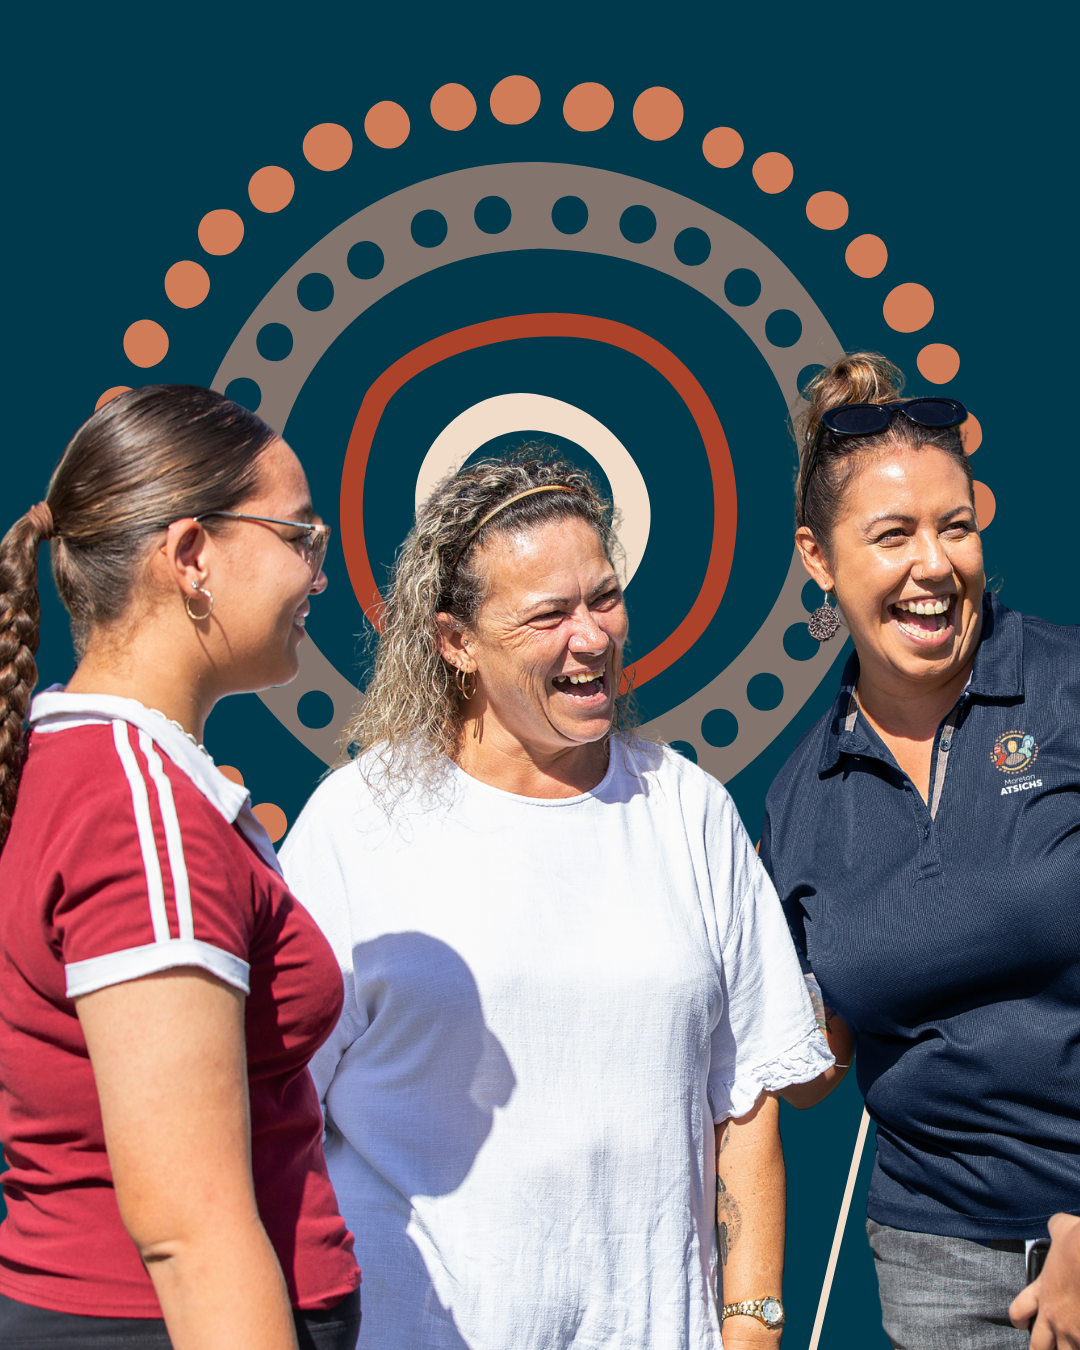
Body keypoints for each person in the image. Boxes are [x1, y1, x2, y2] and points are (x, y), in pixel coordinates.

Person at [280, 450, 834, 1350]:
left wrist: (752, 1326)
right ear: (455, 641)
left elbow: (749, 1098)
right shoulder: (356, 824)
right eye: (548, 615)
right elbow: (280, 1112)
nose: (593, 637)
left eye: (604, 599)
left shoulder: (688, 809)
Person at [0, 387, 361, 1349]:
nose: (317, 574)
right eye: (298, 538)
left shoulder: (91, 769)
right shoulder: (140, 809)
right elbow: (189, 1233)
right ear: (191, 555)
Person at [761, 354, 1080, 1349]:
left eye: (956, 527)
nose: (934, 565)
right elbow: (816, 1064)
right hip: (932, 1263)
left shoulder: (1067, 690)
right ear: (819, 559)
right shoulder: (799, 795)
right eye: (892, 535)